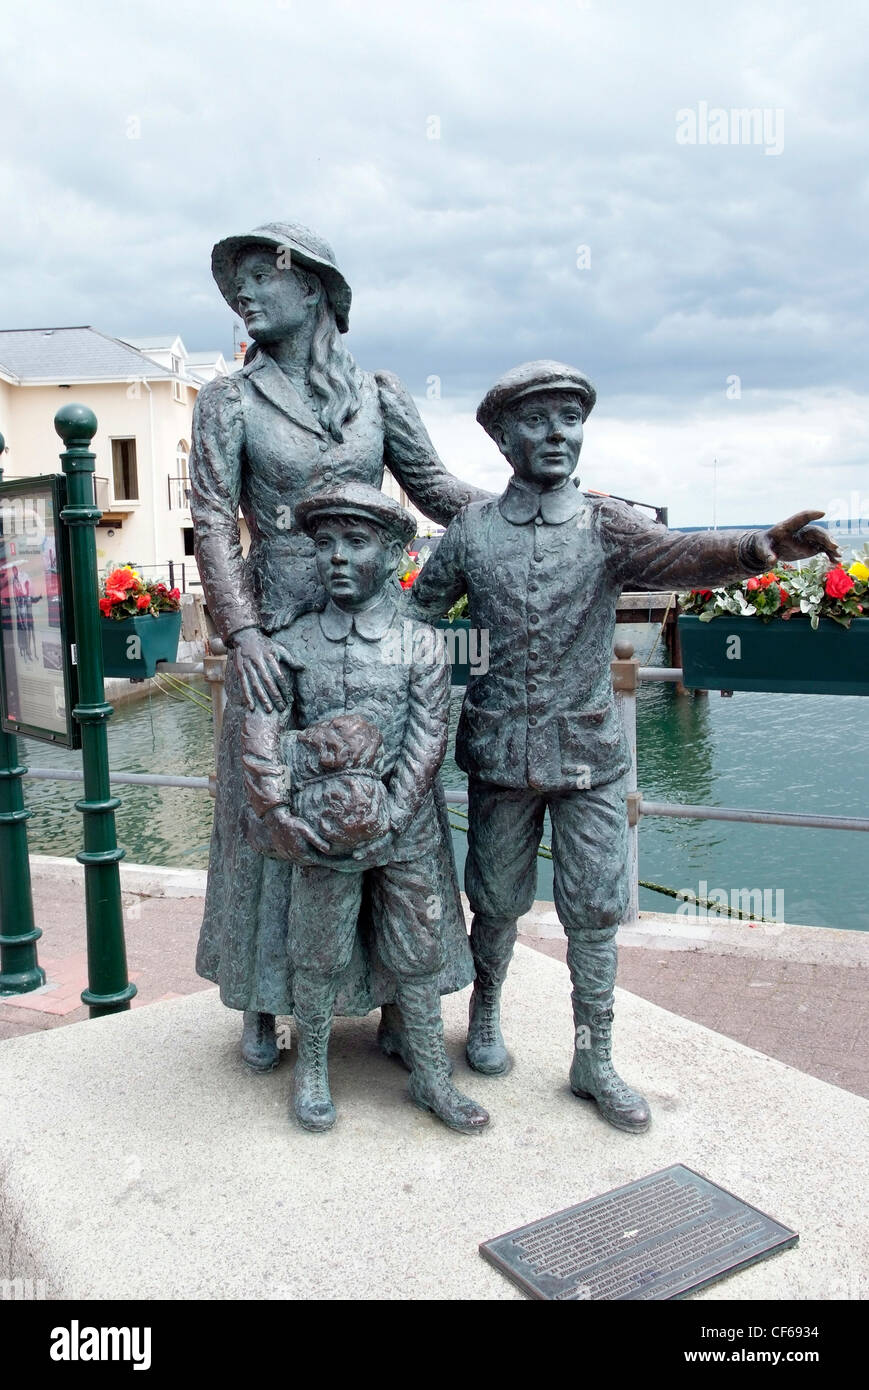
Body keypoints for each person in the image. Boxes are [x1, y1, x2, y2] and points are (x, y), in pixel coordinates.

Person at [407, 359, 840, 1134]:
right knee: (496, 902)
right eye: (536, 421)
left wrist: (760, 548)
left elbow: (680, 557)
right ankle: (485, 1013)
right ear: (502, 436)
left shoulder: (604, 526)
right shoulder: (471, 533)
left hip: (590, 758)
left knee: (596, 913)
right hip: (501, 753)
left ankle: (593, 1057)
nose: (556, 435)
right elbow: (415, 618)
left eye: (569, 420)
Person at [190, 221, 488, 1069]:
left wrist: (532, 505)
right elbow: (213, 522)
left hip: (375, 628)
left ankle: (401, 992)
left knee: (394, 798)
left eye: (258, 276)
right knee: (270, 804)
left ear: (312, 284)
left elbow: (434, 492)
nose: (242, 296)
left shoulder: (379, 394)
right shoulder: (229, 400)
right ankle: (259, 990)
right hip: (278, 623)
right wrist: (241, 631)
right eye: (233, 285)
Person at [241, 483, 489, 1135]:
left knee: (417, 947)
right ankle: (313, 1067)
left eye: (356, 543)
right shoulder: (291, 643)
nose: (337, 558)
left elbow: (427, 737)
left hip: (401, 832)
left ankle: (431, 1073)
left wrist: (393, 810)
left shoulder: (421, 645)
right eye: (324, 544)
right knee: (315, 952)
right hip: (319, 833)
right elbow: (262, 733)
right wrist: (279, 812)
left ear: (394, 554)